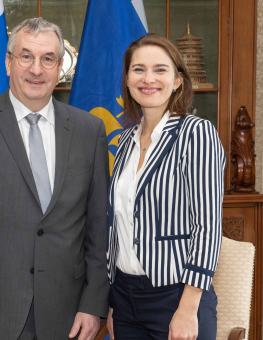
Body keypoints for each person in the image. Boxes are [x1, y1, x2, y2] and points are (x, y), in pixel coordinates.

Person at [0, 17, 109, 340]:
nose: (36, 69)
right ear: (8, 62)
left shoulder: (89, 130)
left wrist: (93, 303)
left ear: (60, 67)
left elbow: (97, 228)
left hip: (68, 310)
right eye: (26, 56)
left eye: (48, 59)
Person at [106, 34, 224, 340]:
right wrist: (112, 299)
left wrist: (187, 309)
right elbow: (118, 224)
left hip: (176, 297)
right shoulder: (125, 142)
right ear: (128, 80)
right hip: (124, 298)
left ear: (178, 81)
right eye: (138, 69)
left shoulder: (195, 133)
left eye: (160, 69)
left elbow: (207, 226)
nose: (148, 78)